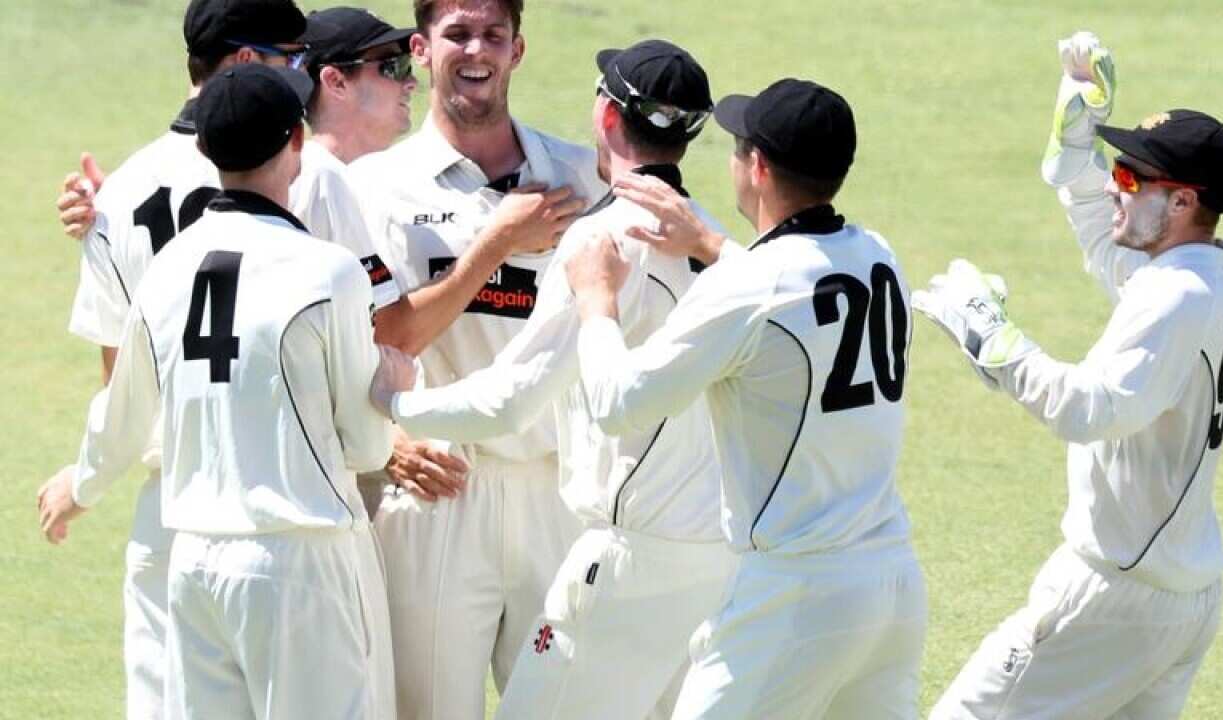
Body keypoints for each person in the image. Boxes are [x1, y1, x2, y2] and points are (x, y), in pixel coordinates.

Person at [374, 39, 736, 720]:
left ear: (605, 116)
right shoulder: (719, 244)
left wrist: (392, 405)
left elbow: (509, 399)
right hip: (709, 553)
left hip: (620, 550)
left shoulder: (597, 240)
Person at [50, 64, 414, 719]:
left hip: (191, 559)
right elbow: (363, 446)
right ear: (297, 143)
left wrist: (78, 488)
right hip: (301, 562)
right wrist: (394, 391)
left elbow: (124, 416)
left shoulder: (167, 271)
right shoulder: (328, 271)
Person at [565, 79, 928, 719]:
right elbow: (794, 299)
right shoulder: (879, 256)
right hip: (892, 585)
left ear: (756, 167)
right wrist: (710, 245)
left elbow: (619, 403)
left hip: (793, 596)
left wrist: (596, 301)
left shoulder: (750, 289)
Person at [914, 33, 1223, 719]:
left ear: (1183, 202)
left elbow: (1088, 409)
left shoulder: (1175, 297)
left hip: (1113, 596)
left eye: (1130, 178)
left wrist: (989, 333)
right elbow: (1106, 239)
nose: (1112, 184)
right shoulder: (1209, 274)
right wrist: (1076, 137)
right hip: (1179, 596)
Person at [36, 3, 307, 717]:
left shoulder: (117, 195)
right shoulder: (299, 168)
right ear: (247, 63)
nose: (305, 76)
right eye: (294, 59)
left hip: (171, 505)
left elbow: (116, 386)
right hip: (289, 502)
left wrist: (86, 480)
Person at [347, 0, 606, 716]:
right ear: (422, 50)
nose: (476, 51)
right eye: (456, 34)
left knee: (571, 705)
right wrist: (496, 241)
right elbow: (379, 341)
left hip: (555, 490)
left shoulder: (583, 177)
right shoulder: (374, 187)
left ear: (517, 50)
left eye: (493, 34)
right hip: (437, 493)